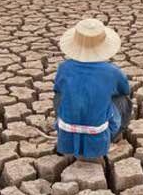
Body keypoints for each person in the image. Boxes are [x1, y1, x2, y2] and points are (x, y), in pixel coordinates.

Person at [53, 18, 132, 160]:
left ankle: (62, 129)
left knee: (59, 95)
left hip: (66, 134)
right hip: (98, 137)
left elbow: (58, 88)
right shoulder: (112, 71)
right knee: (123, 100)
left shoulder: (63, 68)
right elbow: (125, 90)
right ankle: (113, 137)